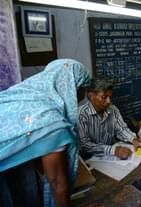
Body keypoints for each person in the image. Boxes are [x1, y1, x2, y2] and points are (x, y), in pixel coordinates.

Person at [0, 59, 91, 207]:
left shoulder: (20, 95)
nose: (84, 96)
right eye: (84, 89)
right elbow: (56, 182)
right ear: (74, 86)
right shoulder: (50, 121)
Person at [79, 79, 141, 160]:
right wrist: (114, 150)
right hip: (88, 159)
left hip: (109, 157)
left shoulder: (113, 109)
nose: (108, 101)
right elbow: (85, 145)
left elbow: (121, 129)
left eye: (110, 97)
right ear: (91, 96)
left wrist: (134, 140)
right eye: (104, 97)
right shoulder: (81, 114)